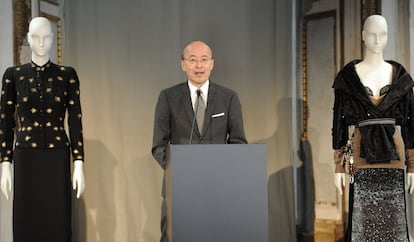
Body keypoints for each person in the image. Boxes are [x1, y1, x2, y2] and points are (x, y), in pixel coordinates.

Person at [152, 40, 247, 242]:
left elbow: (238, 143)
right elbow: (158, 145)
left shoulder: (228, 98)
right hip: (179, 188)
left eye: (204, 60)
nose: (199, 66)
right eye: (193, 60)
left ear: (212, 63)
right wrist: (178, 170)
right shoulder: (168, 97)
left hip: (218, 188)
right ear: (183, 64)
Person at [0, 17, 85, 242]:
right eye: (36, 36)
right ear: (28, 38)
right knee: (27, 219)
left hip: (57, 155)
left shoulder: (67, 75)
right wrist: (5, 163)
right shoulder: (13, 76)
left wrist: (79, 163)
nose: (41, 42)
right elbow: (6, 122)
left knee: (57, 217)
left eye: (47, 37)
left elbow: (75, 121)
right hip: (26, 154)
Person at [332, 15, 414, 241]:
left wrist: (413, 166)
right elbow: (338, 121)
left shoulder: (402, 79)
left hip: (394, 160)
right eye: (372, 34)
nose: (378, 40)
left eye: (383, 34)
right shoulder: (348, 78)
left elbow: (409, 124)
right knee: (363, 226)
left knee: (394, 227)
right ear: (362, 36)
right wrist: (339, 166)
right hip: (361, 158)